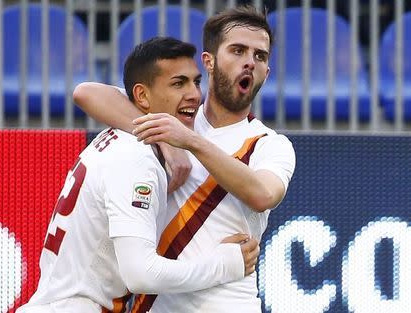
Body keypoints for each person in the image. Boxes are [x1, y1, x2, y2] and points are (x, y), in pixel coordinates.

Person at [74, 5, 296, 313]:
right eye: (238, 50)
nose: (249, 62)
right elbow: (86, 93)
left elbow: (262, 194)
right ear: (209, 61)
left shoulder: (268, 144)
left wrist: (189, 142)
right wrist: (170, 142)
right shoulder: (175, 115)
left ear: (266, 73)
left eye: (260, 56)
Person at [16, 37, 260, 313]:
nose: (194, 94)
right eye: (178, 83)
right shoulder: (136, 158)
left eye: (196, 82)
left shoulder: (118, 135)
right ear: (142, 96)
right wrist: (224, 264)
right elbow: (141, 274)